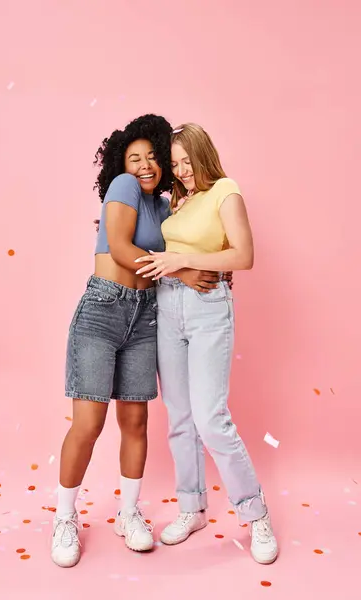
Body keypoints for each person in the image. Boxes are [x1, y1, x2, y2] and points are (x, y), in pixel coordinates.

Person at [51, 115, 223, 568]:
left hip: (146, 314)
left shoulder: (165, 208)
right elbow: (124, 249)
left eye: (153, 157)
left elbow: (180, 247)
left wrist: (216, 272)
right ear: (121, 162)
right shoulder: (124, 186)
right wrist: (185, 270)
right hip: (104, 310)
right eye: (135, 157)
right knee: (88, 423)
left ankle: (129, 513)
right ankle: (64, 518)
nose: (145, 165)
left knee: (136, 422)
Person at [135, 123, 279, 564]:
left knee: (210, 416)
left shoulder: (225, 191)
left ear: (203, 155)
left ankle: (255, 515)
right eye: (174, 164)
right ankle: (191, 507)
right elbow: (161, 260)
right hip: (167, 306)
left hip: (207, 307)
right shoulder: (176, 202)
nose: (181, 171)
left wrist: (184, 259)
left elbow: (243, 255)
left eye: (187, 162)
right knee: (179, 417)